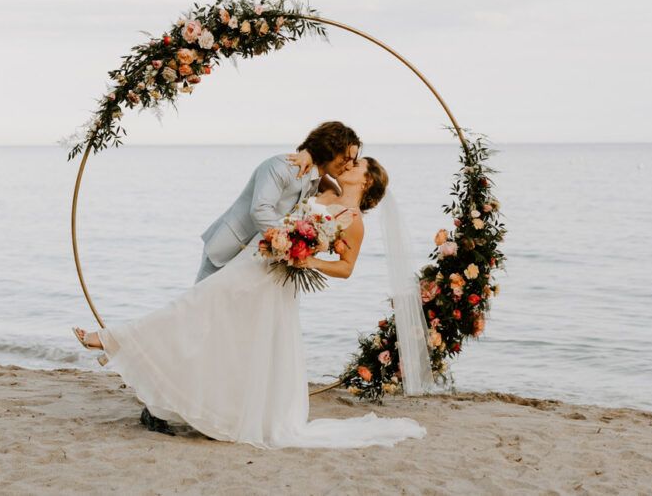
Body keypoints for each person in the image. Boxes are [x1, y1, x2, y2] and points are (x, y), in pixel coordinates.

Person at [72, 156, 427, 449]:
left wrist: (307, 260)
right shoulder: (325, 190)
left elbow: (346, 268)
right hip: (255, 261)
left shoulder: (354, 222)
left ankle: (113, 341)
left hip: (275, 280)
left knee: (226, 329)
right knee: (200, 308)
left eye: (359, 164)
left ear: (367, 181)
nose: (350, 164)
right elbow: (289, 191)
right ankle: (123, 348)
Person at [195, 121, 360, 283]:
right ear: (329, 149)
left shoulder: (316, 181)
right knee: (199, 306)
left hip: (254, 264)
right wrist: (291, 247)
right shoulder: (282, 167)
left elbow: (334, 196)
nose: (350, 166)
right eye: (346, 158)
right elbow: (260, 210)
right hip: (228, 249)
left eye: (353, 160)